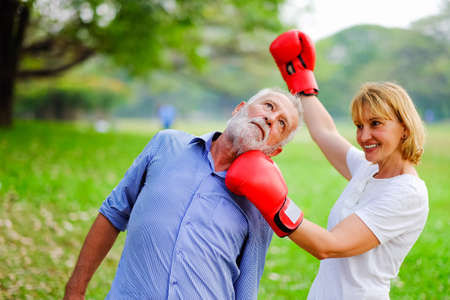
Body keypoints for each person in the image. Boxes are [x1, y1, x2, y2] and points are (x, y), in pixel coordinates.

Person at [226, 30, 429, 300]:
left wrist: (276, 203)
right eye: (359, 125)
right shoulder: (369, 169)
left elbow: (329, 245)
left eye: (376, 124)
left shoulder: (408, 193)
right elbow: (326, 133)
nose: (364, 136)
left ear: (404, 128)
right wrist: (300, 79)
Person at [63, 87, 302, 300]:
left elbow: (246, 289)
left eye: (282, 123)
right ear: (239, 109)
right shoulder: (165, 145)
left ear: (274, 151)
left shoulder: (263, 205)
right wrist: (75, 291)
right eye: (268, 106)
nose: (270, 118)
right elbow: (112, 214)